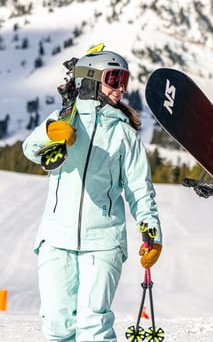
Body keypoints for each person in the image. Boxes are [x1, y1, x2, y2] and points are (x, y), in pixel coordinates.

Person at [23, 46, 162, 341]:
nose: (120, 88)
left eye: (124, 80)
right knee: (57, 324)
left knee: (93, 325)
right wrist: (49, 133)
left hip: (104, 241)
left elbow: (140, 189)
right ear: (91, 79)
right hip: (56, 238)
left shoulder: (125, 134)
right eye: (114, 78)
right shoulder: (63, 119)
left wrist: (151, 233)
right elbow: (30, 150)